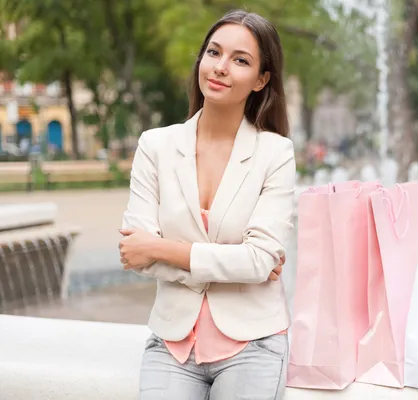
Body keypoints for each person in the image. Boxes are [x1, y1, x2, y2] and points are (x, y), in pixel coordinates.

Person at [118, 10, 295, 399]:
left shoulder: (275, 153)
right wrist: (237, 264)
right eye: (213, 53)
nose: (220, 68)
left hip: (254, 344)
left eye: (241, 60)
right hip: (172, 342)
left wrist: (162, 248)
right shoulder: (155, 146)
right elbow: (135, 254)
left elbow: (260, 260)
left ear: (261, 80)